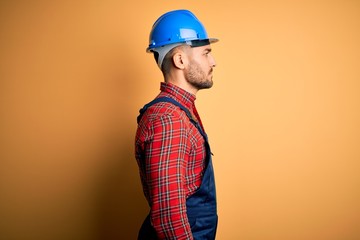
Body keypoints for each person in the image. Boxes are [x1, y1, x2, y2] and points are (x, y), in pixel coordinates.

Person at [135, 9, 219, 240]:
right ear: (180, 60)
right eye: (206, 53)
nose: (213, 61)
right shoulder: (168, 120)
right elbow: (168, 216)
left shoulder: (181, 111)